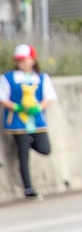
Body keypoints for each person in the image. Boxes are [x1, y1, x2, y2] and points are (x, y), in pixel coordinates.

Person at [2, 43, 56, 200]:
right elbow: (3, 97)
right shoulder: (8, 78)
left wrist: (38, 107)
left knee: (45, 148)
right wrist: (17, 107)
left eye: (24, 60)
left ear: (32, 60)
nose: (22, 63)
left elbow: (49, 97)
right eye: (19, 60)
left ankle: (30, 142)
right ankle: (28, 188)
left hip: (37, 121)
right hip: (18, 123)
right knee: (23, 155)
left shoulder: (41, 77)